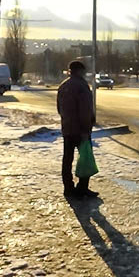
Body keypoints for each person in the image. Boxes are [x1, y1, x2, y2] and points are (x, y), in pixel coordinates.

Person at [57, 60, 99, 199]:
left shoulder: (63, 86)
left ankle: (68, 188)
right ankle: (82, 188)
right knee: (85, 158)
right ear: (80, 71)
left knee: (67, 159)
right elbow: (85, 111)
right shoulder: (82, 86)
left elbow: (59, 109)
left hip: (67, 128)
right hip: (81, 130)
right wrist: (86, 129)